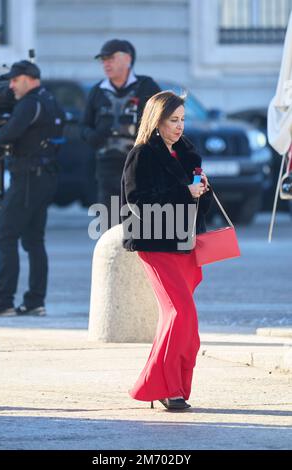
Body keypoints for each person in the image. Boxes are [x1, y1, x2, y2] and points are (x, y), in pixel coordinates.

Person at [121, 91, 212, 411]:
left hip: (185, 244)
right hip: (156, 243)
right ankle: (163, 387)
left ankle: (171, 385)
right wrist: (182, 191)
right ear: (156, 121)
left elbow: (197, 201)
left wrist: (200, 189)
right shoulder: (142, 154)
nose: (179, 126)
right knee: (180, 314)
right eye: (173, 120)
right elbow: (137, 202)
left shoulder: (188, 153)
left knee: (185, 323)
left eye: (183, 120)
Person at [0, 60, 65, 317]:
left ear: (28, 78)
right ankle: (35, 302)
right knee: (34, 240)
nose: (10, 86)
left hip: (27, 178)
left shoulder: (29, 103)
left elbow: (8, 133)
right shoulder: (49, 99)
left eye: (14, 80)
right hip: (45, 177)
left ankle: (3, 302)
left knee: (5, 235)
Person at [80, 38, 160, 226]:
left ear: (127, 59)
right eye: (103, 60)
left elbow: (164, 121)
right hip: (107, 168)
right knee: (110, 227)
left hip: (140, 168)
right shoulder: (97, 91)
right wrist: (93, 136)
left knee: (141, 227)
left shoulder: (147, 87)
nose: (105, 64)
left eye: (110, 58)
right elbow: (83, 126)